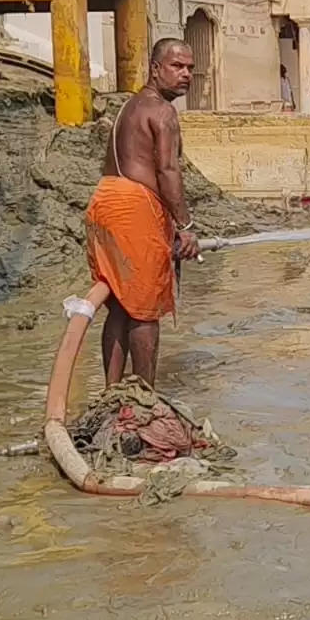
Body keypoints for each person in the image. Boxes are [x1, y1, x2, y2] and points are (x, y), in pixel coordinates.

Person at [84, 38, 202, 389]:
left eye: (190, 68)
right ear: (154, 69)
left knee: (120, 305)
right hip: (133, 207)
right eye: (176, 66)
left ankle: (112, 394)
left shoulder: (130, 106)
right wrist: (186, 226)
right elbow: (167, 171)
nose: (186, 75)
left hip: (104, 200)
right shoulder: (163, 112)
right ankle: (143, 399)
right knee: (145, 311)